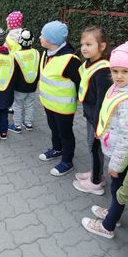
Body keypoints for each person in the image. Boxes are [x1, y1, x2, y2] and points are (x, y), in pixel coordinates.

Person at [82, 41, 128, 239]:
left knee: (117, 188)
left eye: (125, 72)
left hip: (122, 157)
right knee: (115, 187)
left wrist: (117, 164)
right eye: (115, 70)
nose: (118, 76)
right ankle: (113, 212)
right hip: (115, 151)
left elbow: (127, 136)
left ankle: (108, 226)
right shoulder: (118, 88)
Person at [38, 20, 81, 176]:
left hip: (64, 108)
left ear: (51, 41)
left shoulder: (70, 61)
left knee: (65, 133)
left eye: (43, 35)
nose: (40, 38)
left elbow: (80, 83)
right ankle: (57, 149)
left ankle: (67, 161)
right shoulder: (46, 53)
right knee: (53, 128)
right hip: (49, 104)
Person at [73, 27, 112, 195]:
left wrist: (97, 126)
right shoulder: (89, 63)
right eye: (82, 44)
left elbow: (102, 102)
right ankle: (97, 172)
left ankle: (96, 182)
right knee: (93, 147)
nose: (84, 48)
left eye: (89, 44)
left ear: (102, 47)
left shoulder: (103, 71)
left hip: (97, 119)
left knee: (94, 148)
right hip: (90, 115)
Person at [8, 28, 40, 134]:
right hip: (32, 85)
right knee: (30, 104)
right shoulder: (36, 53)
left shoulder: (16, 55)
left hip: (19, 87)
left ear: (20, 40)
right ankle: (28, 123)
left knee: (18, 105)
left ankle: (17, 125)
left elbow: (13, 73)